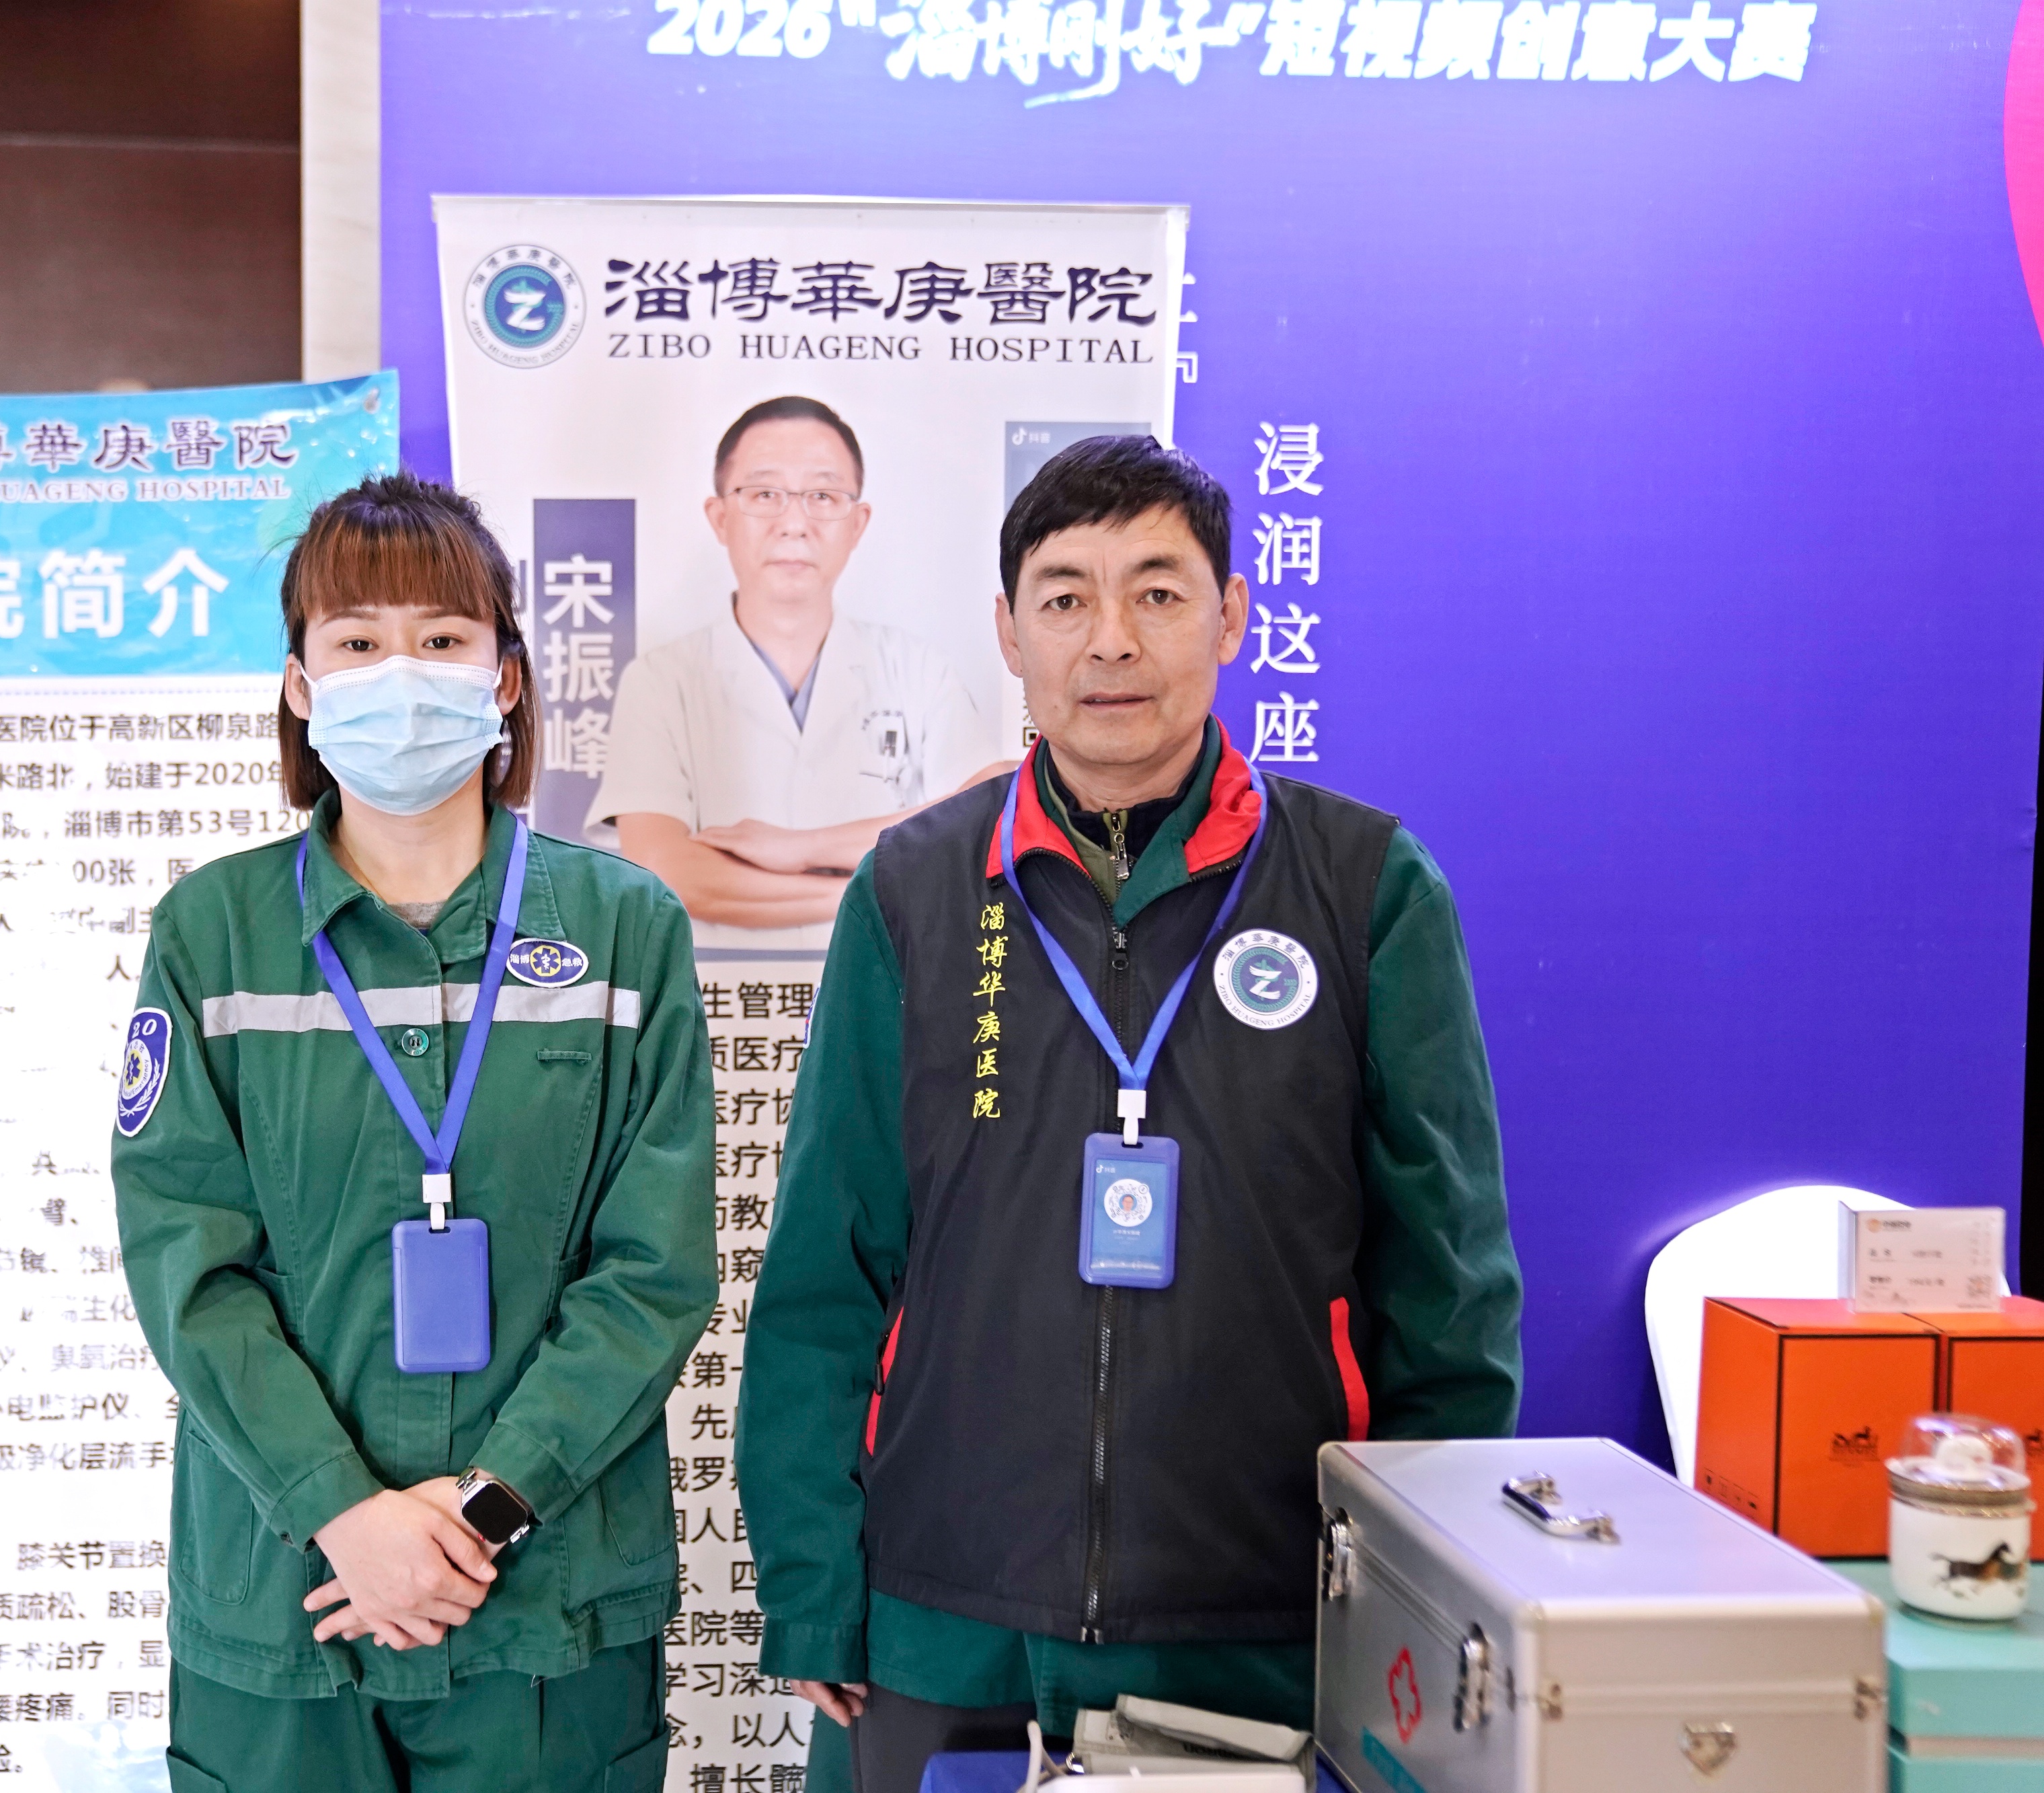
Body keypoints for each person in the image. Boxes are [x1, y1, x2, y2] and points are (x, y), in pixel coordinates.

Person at [733, 436, 1524, 1793]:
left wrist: (1407, 1597)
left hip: (1255, 1631)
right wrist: (814, 1587)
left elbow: (1446, 1292)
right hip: (938, 1620)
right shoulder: (913, 891)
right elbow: (827, 1265)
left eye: (1157, 592)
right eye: (1065, 597)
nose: (1110, 639)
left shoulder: (1365, 888)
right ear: (1007, 631)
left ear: (1230, 616)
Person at [113, 472, 717, 1793]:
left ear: (506, 678)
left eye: (442, 638)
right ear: (300, 685)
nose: (401, 673)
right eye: (357, 640)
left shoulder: (624, 931)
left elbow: (653, 1268)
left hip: (548, 1597)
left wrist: (489, 1505)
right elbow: (188, 1266)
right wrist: (341, 1508)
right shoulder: (213, 935)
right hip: (289, 1596)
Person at [591, 395, 1012, 948]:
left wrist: (802, 847)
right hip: (720, 991)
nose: (794, 524)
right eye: (765, 494)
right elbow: (666, 870)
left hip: (886, 986)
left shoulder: (916, 668)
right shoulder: (660, 680)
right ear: (719, 517)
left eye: (823, 496)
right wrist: (887, 889)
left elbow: (994, 809)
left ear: (858, 523)